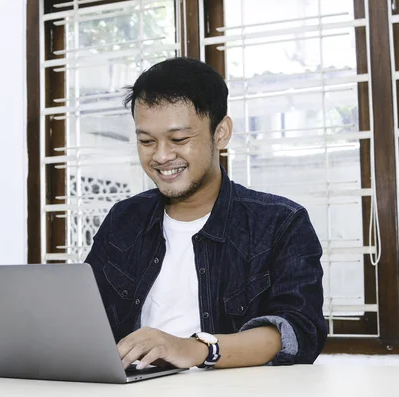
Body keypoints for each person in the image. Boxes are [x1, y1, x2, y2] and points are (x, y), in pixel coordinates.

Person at [84, 57, 326, 371]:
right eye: (146, 141)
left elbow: (298, 332)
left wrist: (195, 348)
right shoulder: (124, 219)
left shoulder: (281, 223)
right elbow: (84, 318)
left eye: (179, 139)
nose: (161, 156)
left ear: (221, 133)